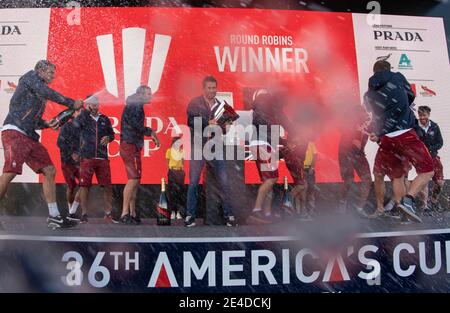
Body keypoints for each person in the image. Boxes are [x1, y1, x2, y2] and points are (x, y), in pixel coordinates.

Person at [0, 60, 83, 228]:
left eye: (54, 72)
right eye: (50, 72)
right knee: (10, 173)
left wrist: (47, 124)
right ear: (40, 70)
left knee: (49, 170)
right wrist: (70, 102)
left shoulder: (38, 96)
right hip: (14, 132)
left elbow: (34, 120)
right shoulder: (30, 78)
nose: (53, 75)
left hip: (29, 135)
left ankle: (54, 217)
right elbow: (46, 92)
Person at [365, 60, 434, 223]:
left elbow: (374, 113)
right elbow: (410, 96)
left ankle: (404, 215)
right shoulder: (397, 77)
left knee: (397, 175)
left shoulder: (370, 92)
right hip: (404, 133)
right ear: (388, 69)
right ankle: (408, 201)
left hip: (387, 138)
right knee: (427, 170)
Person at [185, 76, 236, 227]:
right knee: (193, 183)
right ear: (203, 88)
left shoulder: (222, 106)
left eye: (214, 88)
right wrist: (208, 122)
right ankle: (190, 216)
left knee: (224, 182)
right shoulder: (195, 103)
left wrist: (226, 126)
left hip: (216, 146)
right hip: (199, 146)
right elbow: (190, 122)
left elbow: (224, 129)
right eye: (209, 88)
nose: (212, 90)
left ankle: (229, 216)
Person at [119, 85, 159, 225]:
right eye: (148, 93)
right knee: (134, 179)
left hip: (131, 145)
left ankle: (132, 213)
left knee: (135, 179)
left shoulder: (135, 104)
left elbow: (135, 124)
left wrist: (149, 132)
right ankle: (125, 213)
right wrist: (150, 132)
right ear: (141, 94)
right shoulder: (136, 105)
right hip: (130, 145)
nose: (151, 96)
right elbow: (136, 125)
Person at [73, 95, 116, 223]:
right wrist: (86, 112)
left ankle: (108, 214)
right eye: (92, 103)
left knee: (107, 186)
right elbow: (75, 126)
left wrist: (109, 138)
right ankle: (84, 214)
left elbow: (112, 135)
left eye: (96, 103)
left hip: (102, 158)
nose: (95, 105)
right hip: (87, 157)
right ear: (87, 105)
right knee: (84, 186)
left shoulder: (104, 119)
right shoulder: (83, 117)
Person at [337, 105, 372, 217]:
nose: (366, 114)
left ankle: (359, 208)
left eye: (366, 112)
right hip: (345, 153)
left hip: (359, 154)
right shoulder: (349, 122)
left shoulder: (368, 124)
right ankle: (342, 203)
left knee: (367, 179)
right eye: (362, 113)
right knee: (349, 180)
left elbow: (377, 134)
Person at [415, 105, 444, 213]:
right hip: (421, 159)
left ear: (429, 115)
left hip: (433, 157)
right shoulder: (415, 127)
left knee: (440, 182)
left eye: (424, 115)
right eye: (420, 115)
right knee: (424, 183)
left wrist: (430, 149)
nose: (422, 117)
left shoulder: (435, 126)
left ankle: (434, 200)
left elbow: (440, 142)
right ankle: (425, 206)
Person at [57, 108, 82, 221]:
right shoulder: (67, 126)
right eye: (78, 111)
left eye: (83, 111)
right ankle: (70, 209)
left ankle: (72, 212)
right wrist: (71, 153)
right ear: (73, 114)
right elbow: (60, 143)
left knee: (85, 184)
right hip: (67, 161)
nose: (81, 113)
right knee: (71, 186)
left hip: (81, 161)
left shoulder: (85, 127)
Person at [165, 136, 185, 220]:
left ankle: (179, 212)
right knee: (172, 192)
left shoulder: (182, 151)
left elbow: (182, 162)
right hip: (172, 172)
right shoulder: (169, 151)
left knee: (179, 192)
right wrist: (170, 170)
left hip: (180, 172)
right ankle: (172, 212)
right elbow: (167, 162)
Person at [300, 141, 317, 219]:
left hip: (309, 169)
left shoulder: (311, 144)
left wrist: (312, 167)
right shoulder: (299, 144)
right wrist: (300, 168)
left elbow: (315, 156)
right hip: (301, 169)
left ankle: (311, 211)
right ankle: (303, 211)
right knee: (304, 190)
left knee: (311, 190)